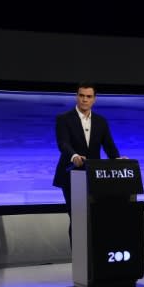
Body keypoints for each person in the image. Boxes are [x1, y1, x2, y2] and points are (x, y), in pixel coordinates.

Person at [52, 81, 124, 243]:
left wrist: (118, 160)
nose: (85, 99)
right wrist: (74, 156)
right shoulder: (64, 119)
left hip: (94, 176)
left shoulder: (101, 121)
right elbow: (63, 143)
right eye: (82, 96)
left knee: (94, 215)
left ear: (94, 99)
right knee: (77, 217)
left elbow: (109, 146)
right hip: (71, 175)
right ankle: (79, 260)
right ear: (77, 97)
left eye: (89, 96)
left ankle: (93, 256)